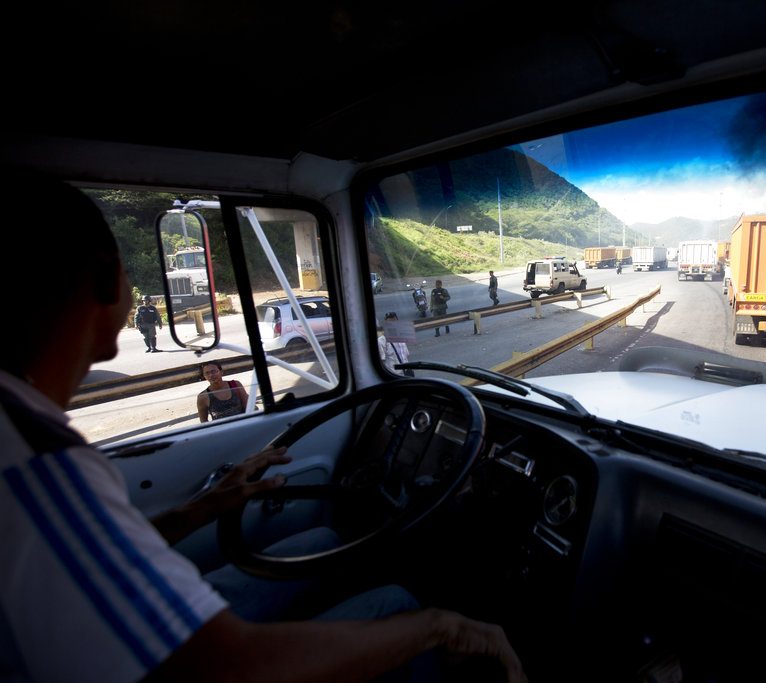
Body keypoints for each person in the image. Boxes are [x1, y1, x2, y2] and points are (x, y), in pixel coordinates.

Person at [0, 169, 526, 683]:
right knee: (400, 607)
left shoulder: (26, 437)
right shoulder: (40, 464)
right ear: (103, 277)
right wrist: (435, 627)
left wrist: (204, 507)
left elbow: (97, 555)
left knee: (319, 538)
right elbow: (224, 666)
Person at [378, 312, 413, 376]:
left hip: (407, 373)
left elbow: (406, 356)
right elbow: (381, 363)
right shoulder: (381, 341)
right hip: (395, 376)